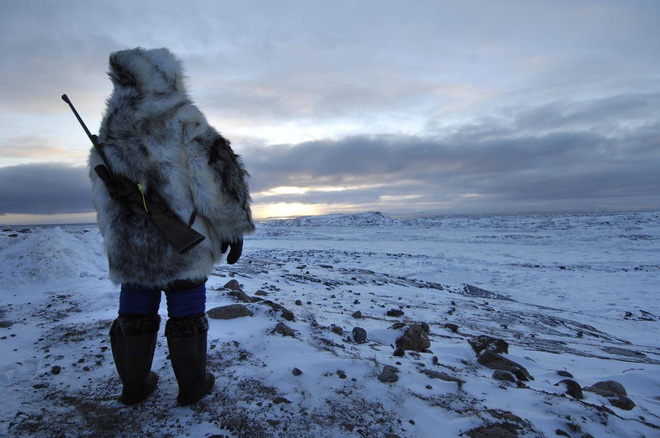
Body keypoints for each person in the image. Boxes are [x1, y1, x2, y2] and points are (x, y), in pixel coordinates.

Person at [88, 48, 254, 405]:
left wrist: (117, 237)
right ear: (169, 78)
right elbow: (216, 177)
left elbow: (102, 191)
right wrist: (232, 227)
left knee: (134, 313)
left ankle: (134, 386)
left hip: (131, 247)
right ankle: (192, 386)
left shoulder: (110, 125)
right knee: (187, 312)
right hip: (184, 242)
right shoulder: (182, 117)